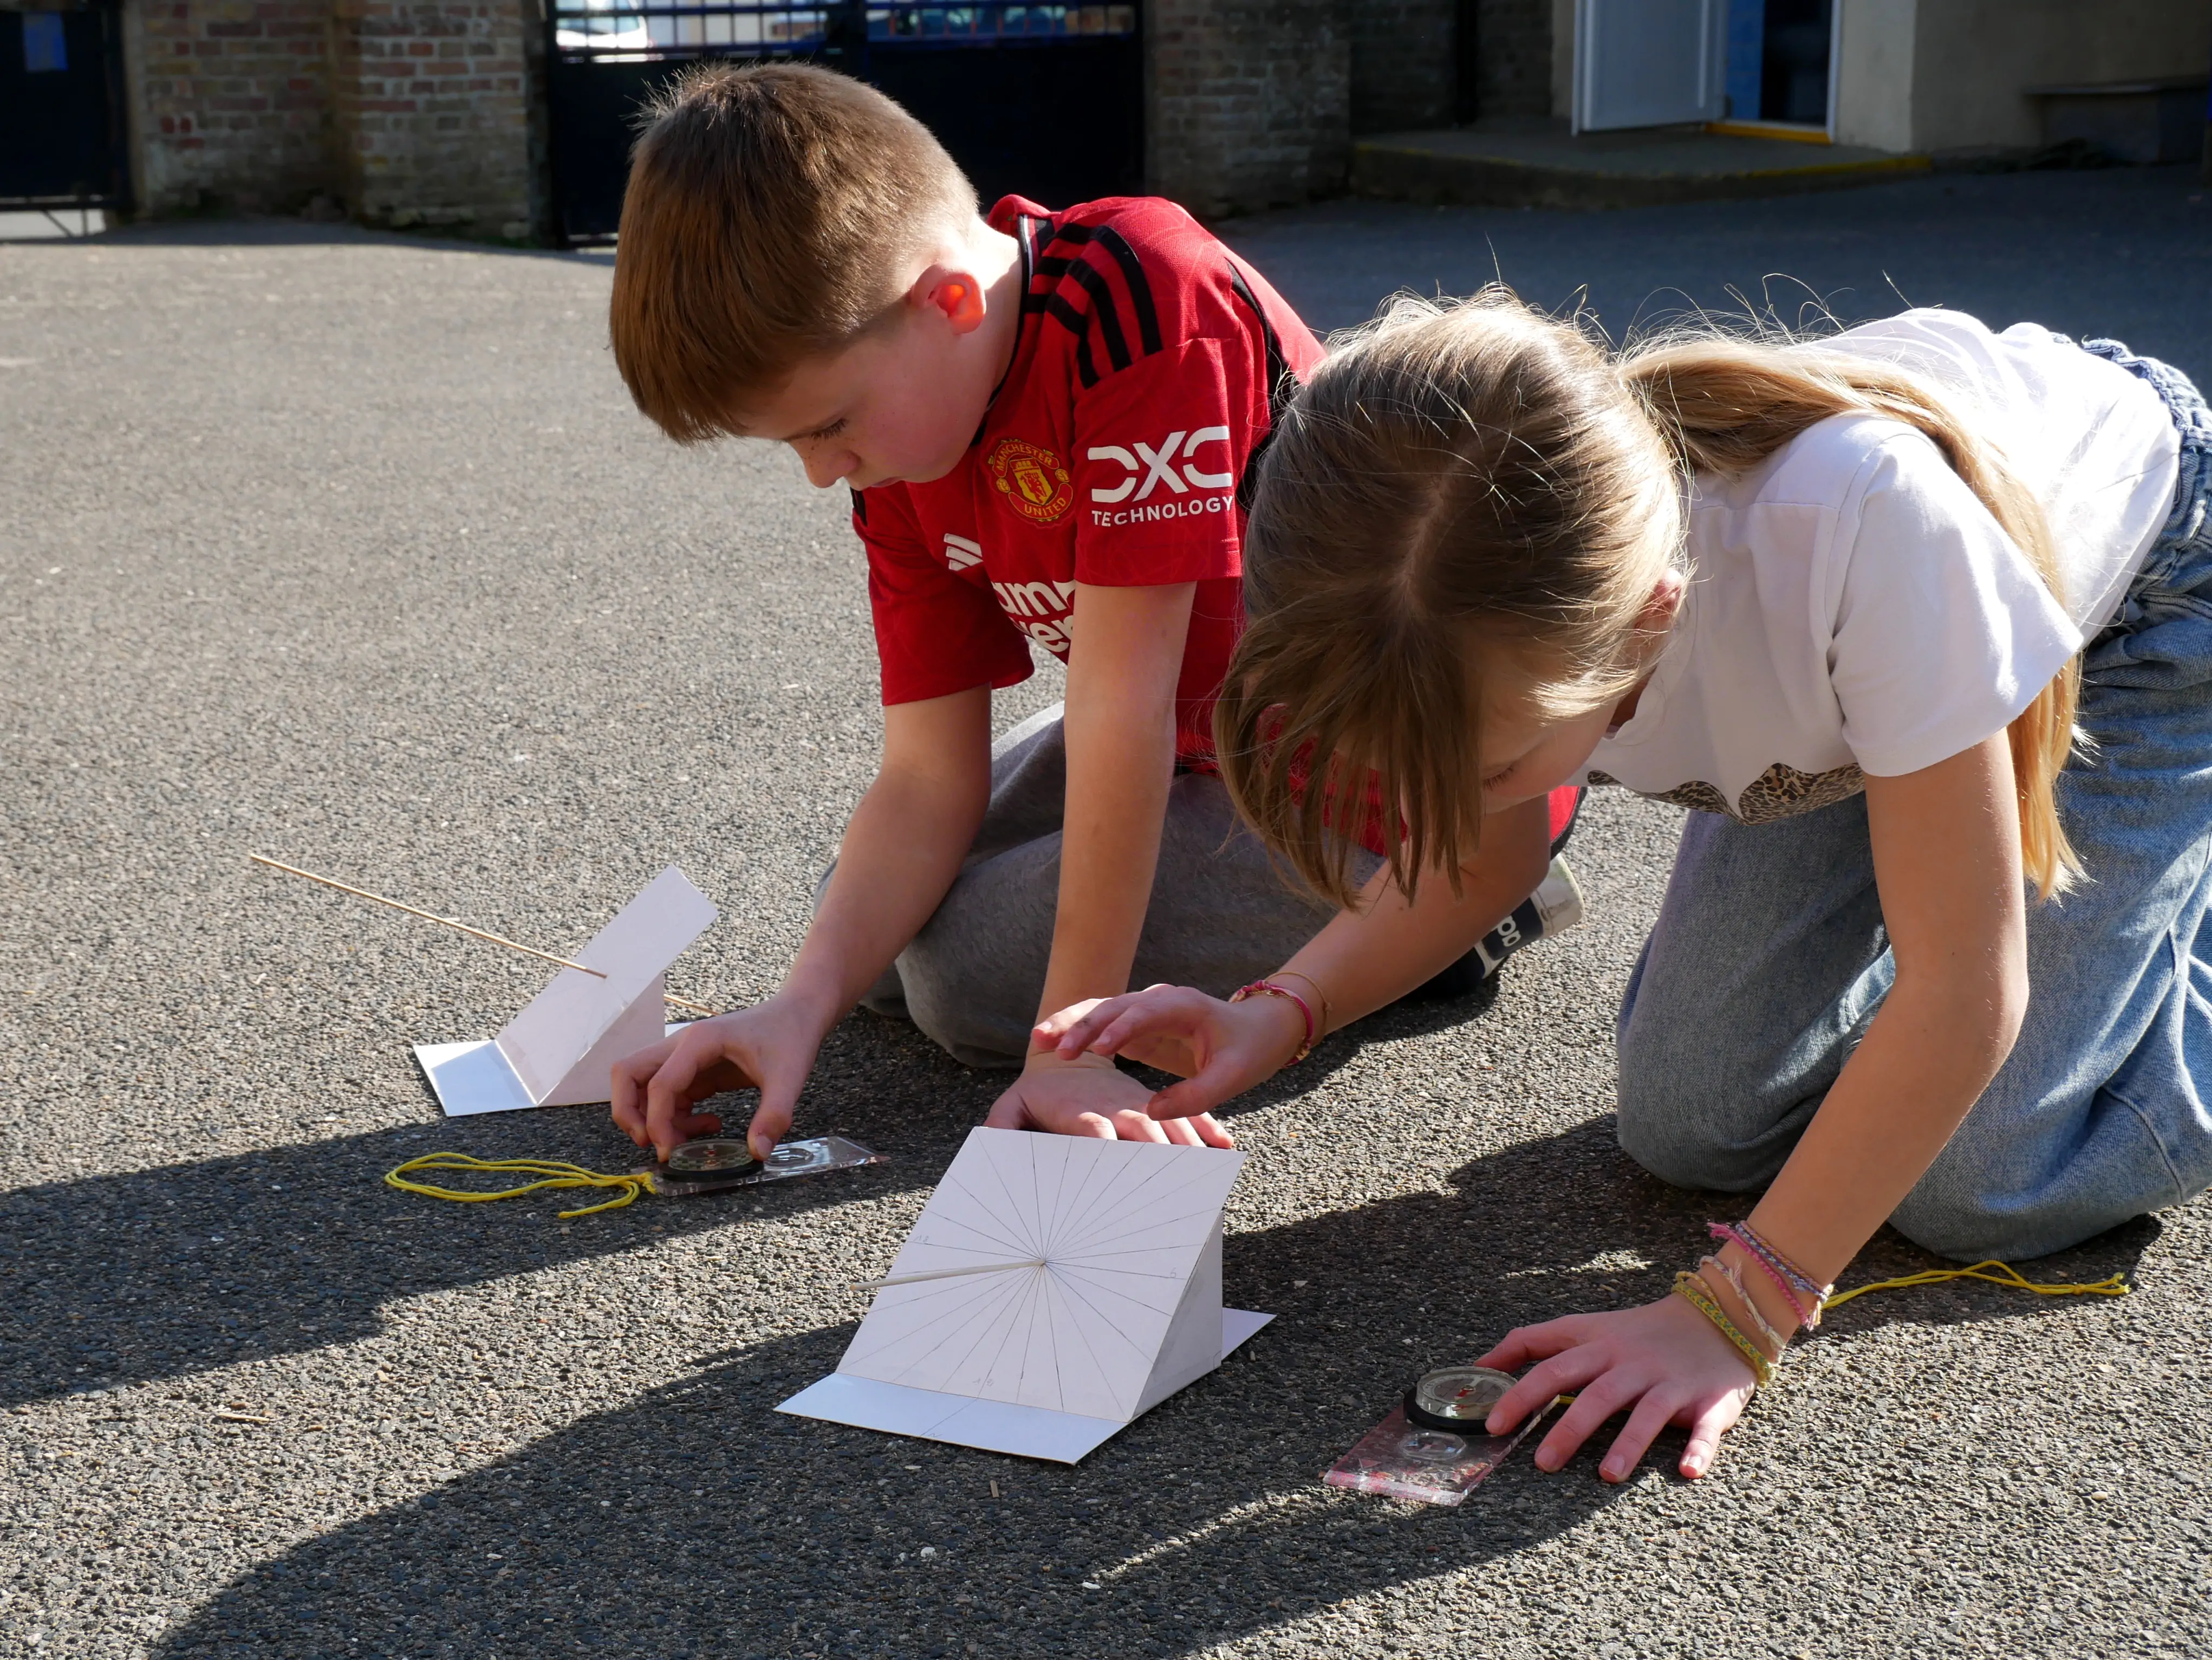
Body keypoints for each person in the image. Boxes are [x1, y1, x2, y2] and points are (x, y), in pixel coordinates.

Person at [1037, 293, 2206, 1482]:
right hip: (1847, 704)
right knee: (1689, 1124)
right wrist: (1276, 1009)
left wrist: (1738, 1309)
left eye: (1487, 767)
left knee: (1990, 1182)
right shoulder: (1452, 577)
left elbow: (1962, 989)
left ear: (1646, 623)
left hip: (2135, 604)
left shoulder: (1855, 529)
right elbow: (1484, 862)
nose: (1436, 799)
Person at [598, 67, 1583, 1163]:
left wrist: (1067, 1050)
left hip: (1372, 796)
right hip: (1196, 750)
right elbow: (927, 775)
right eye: (791, 443)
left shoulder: (1136, 293)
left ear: (947, 300)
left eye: (826, 426)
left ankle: (1447, 922)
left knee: (962, 981)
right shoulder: (901, 428)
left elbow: (1122, 708)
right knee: (858, 937)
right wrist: (795, 1008)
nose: (823, 476)